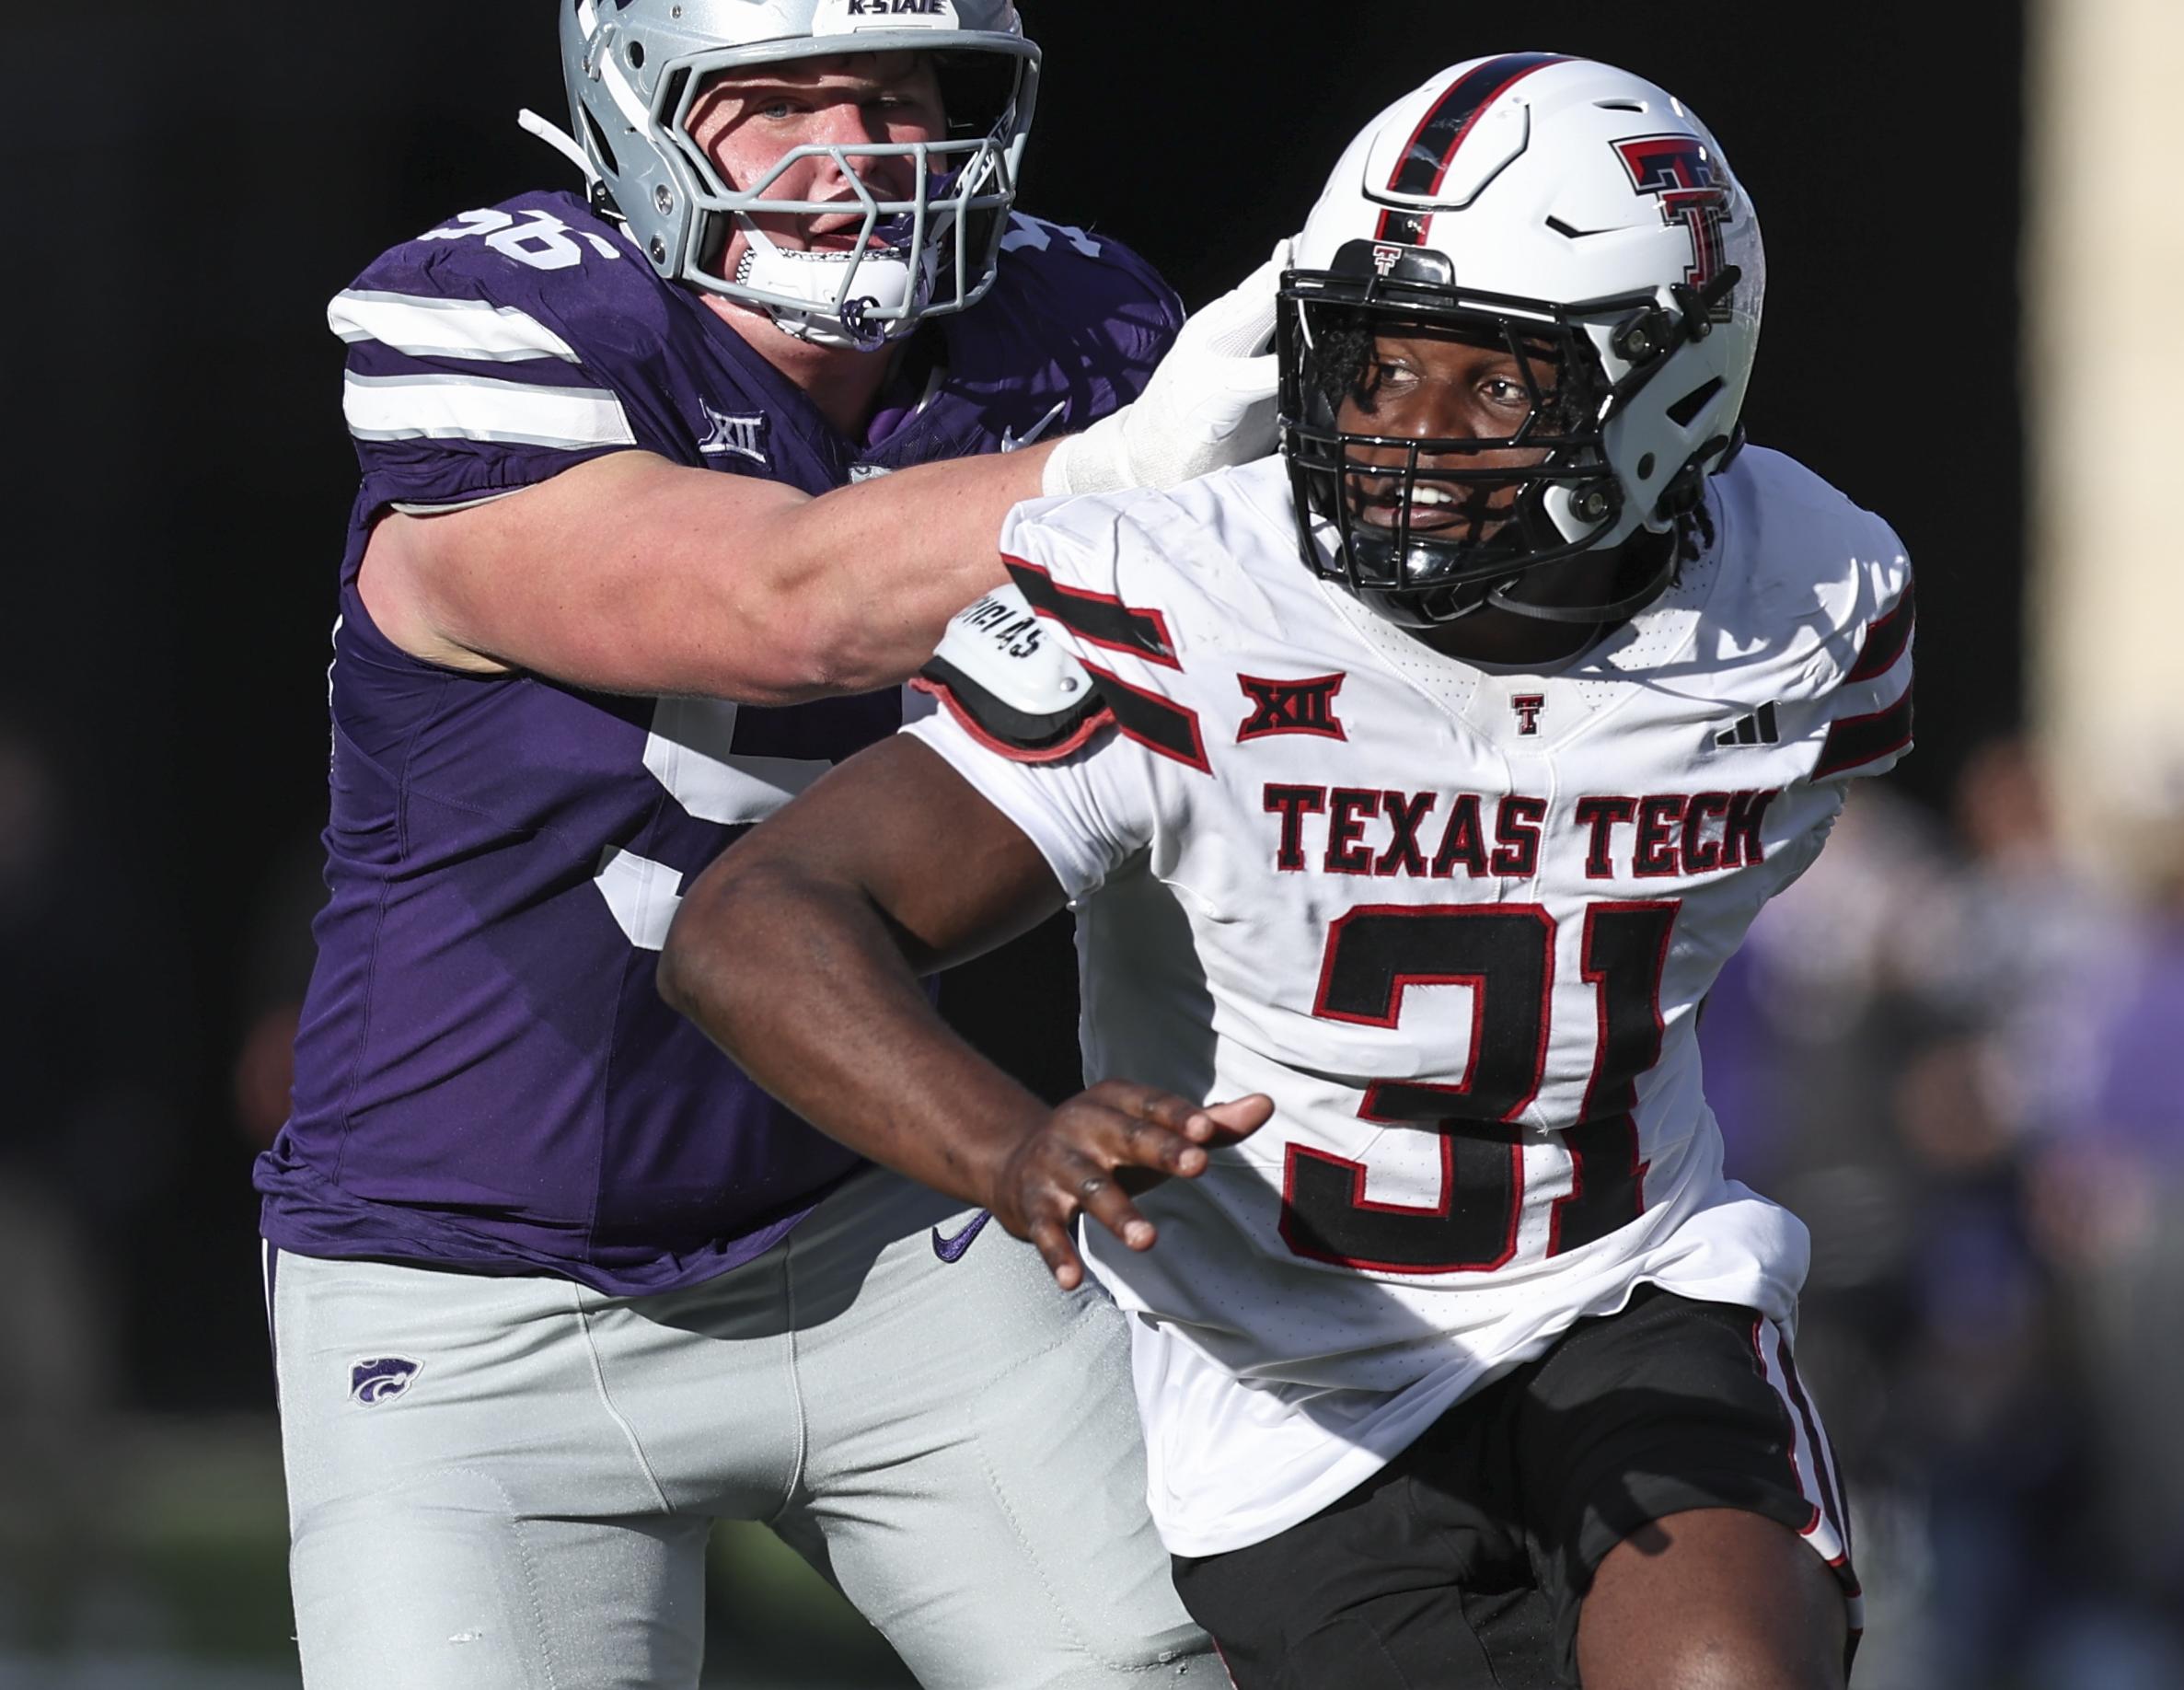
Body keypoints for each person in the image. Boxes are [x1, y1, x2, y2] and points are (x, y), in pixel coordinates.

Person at [662, 54, 1914, 1689]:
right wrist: (1012, 1144)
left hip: (1626, 1286)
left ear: (1666, 390)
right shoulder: (1191, 600)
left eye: (1490, 387)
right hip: (1286, 1384)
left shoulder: (1811, 602)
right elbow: (752, 924)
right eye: (1375, 366)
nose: (1401, 436)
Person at [257, 2, 1271, 1683]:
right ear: (637, 115)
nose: (854, 152)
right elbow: (786, 608)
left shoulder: (1070, 329)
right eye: (778, 100)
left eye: (888, 96)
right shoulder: (505, 317)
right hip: (467, 1287)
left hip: (874, 1231)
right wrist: (1124, 472)